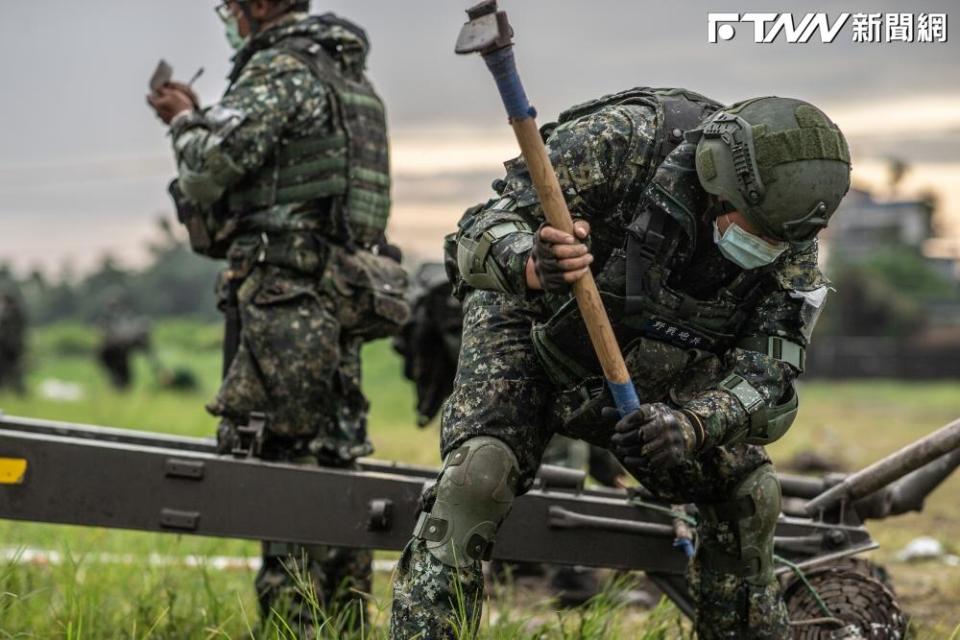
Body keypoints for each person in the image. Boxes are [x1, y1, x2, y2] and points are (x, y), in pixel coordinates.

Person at [390, 88, 850, 639]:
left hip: (661, 362)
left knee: (750, 495)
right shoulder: (623, 141)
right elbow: (473, 235)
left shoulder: (788, 228)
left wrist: (692, 424)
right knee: (477, 478)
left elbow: (767, 374)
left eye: (788, 241)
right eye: (763, 234)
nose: (775, 249)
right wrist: (532, 262)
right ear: (720, 187)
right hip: (534, 326)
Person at [147, 0, 407, 633]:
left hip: (286, 300)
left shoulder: (281, 70)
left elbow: (209, 170)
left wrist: (183, 121)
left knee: (281, 463)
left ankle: (293, 625)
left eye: (233, 6)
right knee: (336, 462)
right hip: (341, 292)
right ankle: (345, 623)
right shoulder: (348, 76)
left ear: (260, 7)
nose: (229, 17)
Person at [0, 281, 27, 395]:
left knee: (11, 368)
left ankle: (18, 389)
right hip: (11, 345)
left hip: (10, 346)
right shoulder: (16, 312)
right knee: (12, 369)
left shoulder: (11, 313)